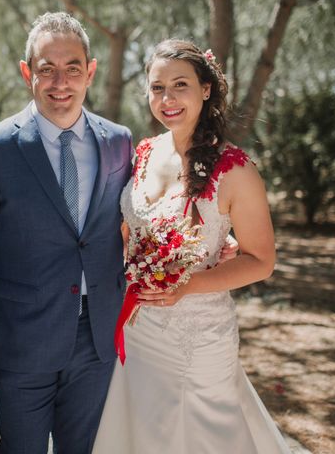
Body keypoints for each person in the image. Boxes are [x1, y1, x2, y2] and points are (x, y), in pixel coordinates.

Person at [93, 40, 291, 453]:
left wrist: (187, 285)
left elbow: (261, 261)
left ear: (206, 89)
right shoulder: (144, 153)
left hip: (198, 339)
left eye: (179, 85)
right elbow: (131, 228)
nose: (167, 98)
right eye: (156, 87)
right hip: (139, 329)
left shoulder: (235, 169)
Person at [0, 12, 133, 453]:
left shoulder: (119, 141)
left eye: (73, 68)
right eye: (47, 69)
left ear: (90, 71)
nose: (61, 82)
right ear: (27, 73)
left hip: (96, 337)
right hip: (21, 334)